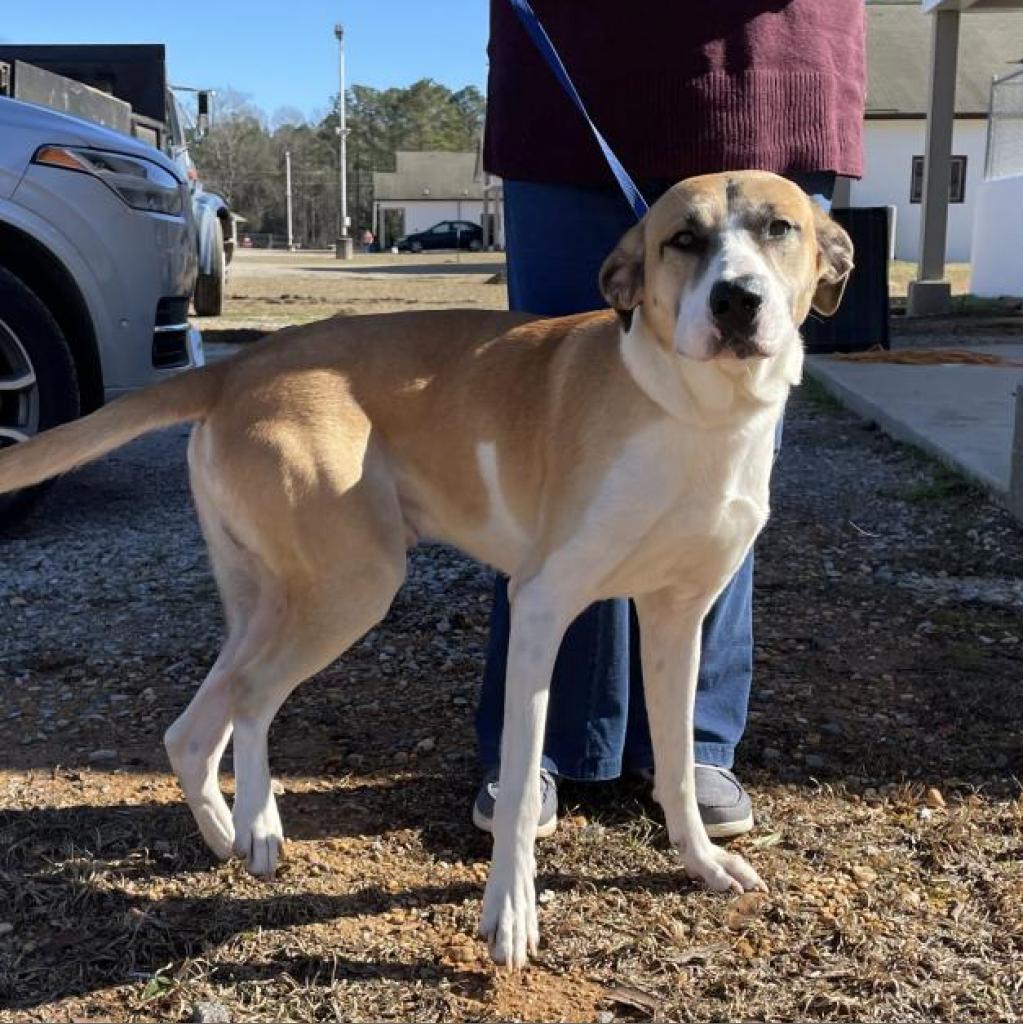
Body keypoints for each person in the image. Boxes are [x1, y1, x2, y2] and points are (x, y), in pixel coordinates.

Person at [472, 0, 866, 838]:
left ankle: (687, 753)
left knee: (719, 465)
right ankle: (538, 750)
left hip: (773, 65)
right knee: (552, 459)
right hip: (573, 72)